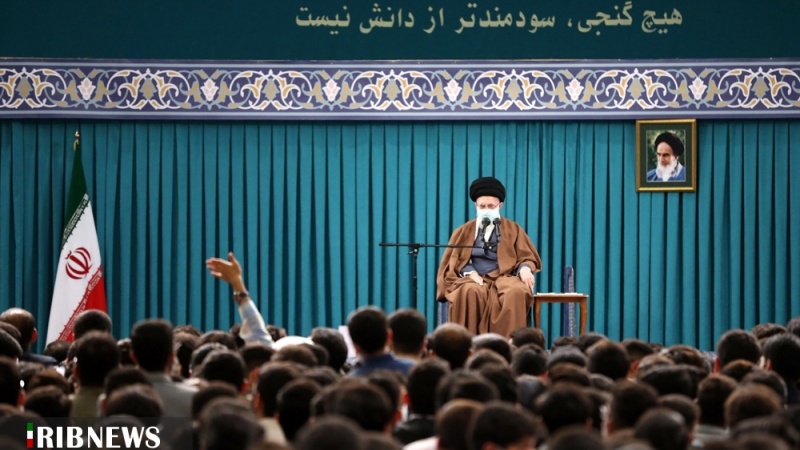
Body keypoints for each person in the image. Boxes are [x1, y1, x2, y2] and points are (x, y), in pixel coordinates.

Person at [436, 176, 542, 337]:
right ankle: (468, 345)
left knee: (515, 292)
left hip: (505, 277)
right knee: (469, 291)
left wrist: (525, 269)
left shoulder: (513, 229)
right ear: (475, 205)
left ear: (500, 205)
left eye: (491, 206)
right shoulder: (463, 231)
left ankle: (509, 345)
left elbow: (526, 256)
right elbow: (455, 260)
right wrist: (470, 272)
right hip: (473, 278)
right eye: (482, 206)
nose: (486, 209)